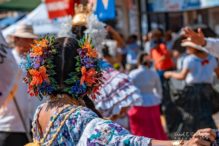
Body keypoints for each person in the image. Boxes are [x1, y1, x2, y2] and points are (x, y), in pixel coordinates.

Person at [24, 35, 216, 146]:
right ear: (89, 73)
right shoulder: (79, 116)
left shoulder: (42, 110)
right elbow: (128, 143)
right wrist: (183, 143)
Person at [164, 41, 219, 135]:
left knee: (191, 116)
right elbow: (218, 74)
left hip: (193, 91)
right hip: (207, 90)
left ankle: (193, 138)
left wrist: (170, 74)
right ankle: (209, 137)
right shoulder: (212, 58)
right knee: (206, 115)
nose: (187, 49)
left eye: (189, 47)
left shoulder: (189, 60)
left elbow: (182, 76)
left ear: (194, 48)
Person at [0, 24, 38, 146]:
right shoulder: (7, 61)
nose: (29, 42)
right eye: (26, 39)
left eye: (31, 39)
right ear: (16, 39)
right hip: (8, 126)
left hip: (29, 125)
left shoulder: (34, 62)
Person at [128, 53, 167, 140]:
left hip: (138, 103)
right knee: (155, 128)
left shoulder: (133, 73)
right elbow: (159, 89)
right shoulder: (154, 73)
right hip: (153, 102)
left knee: (141, 130)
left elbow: (129, 89)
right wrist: (157, 99)